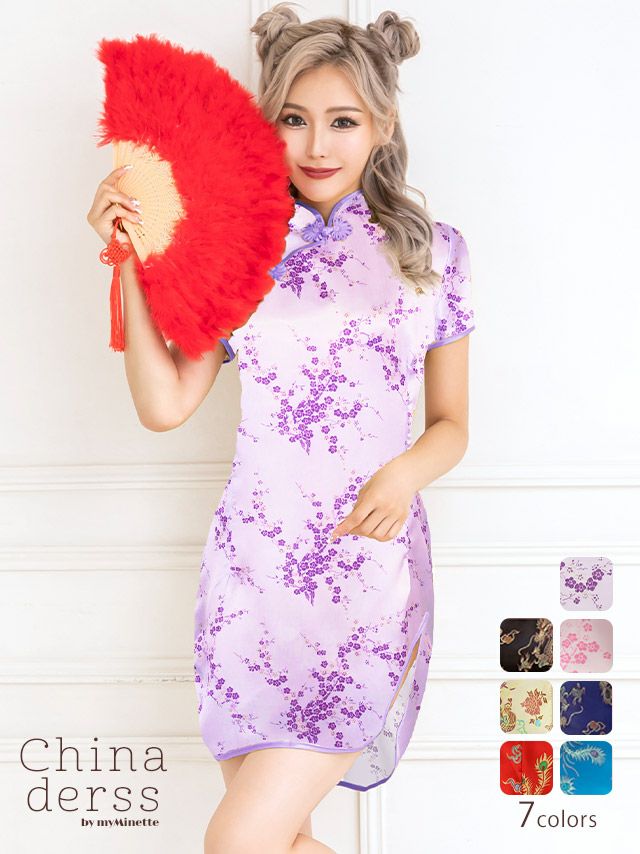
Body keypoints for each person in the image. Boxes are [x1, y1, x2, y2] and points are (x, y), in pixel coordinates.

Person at [87, 4, 476, 852]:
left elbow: (452, 424)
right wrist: (128, 264)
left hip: (366, 577)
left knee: (237, 843)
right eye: (294, 119)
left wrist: (404, 472)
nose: (317, 145)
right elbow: (165, 404)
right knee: (282, 843)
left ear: (384, 124)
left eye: (343, 120)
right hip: (250, 580)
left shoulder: (434, 254)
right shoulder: (237, 249)